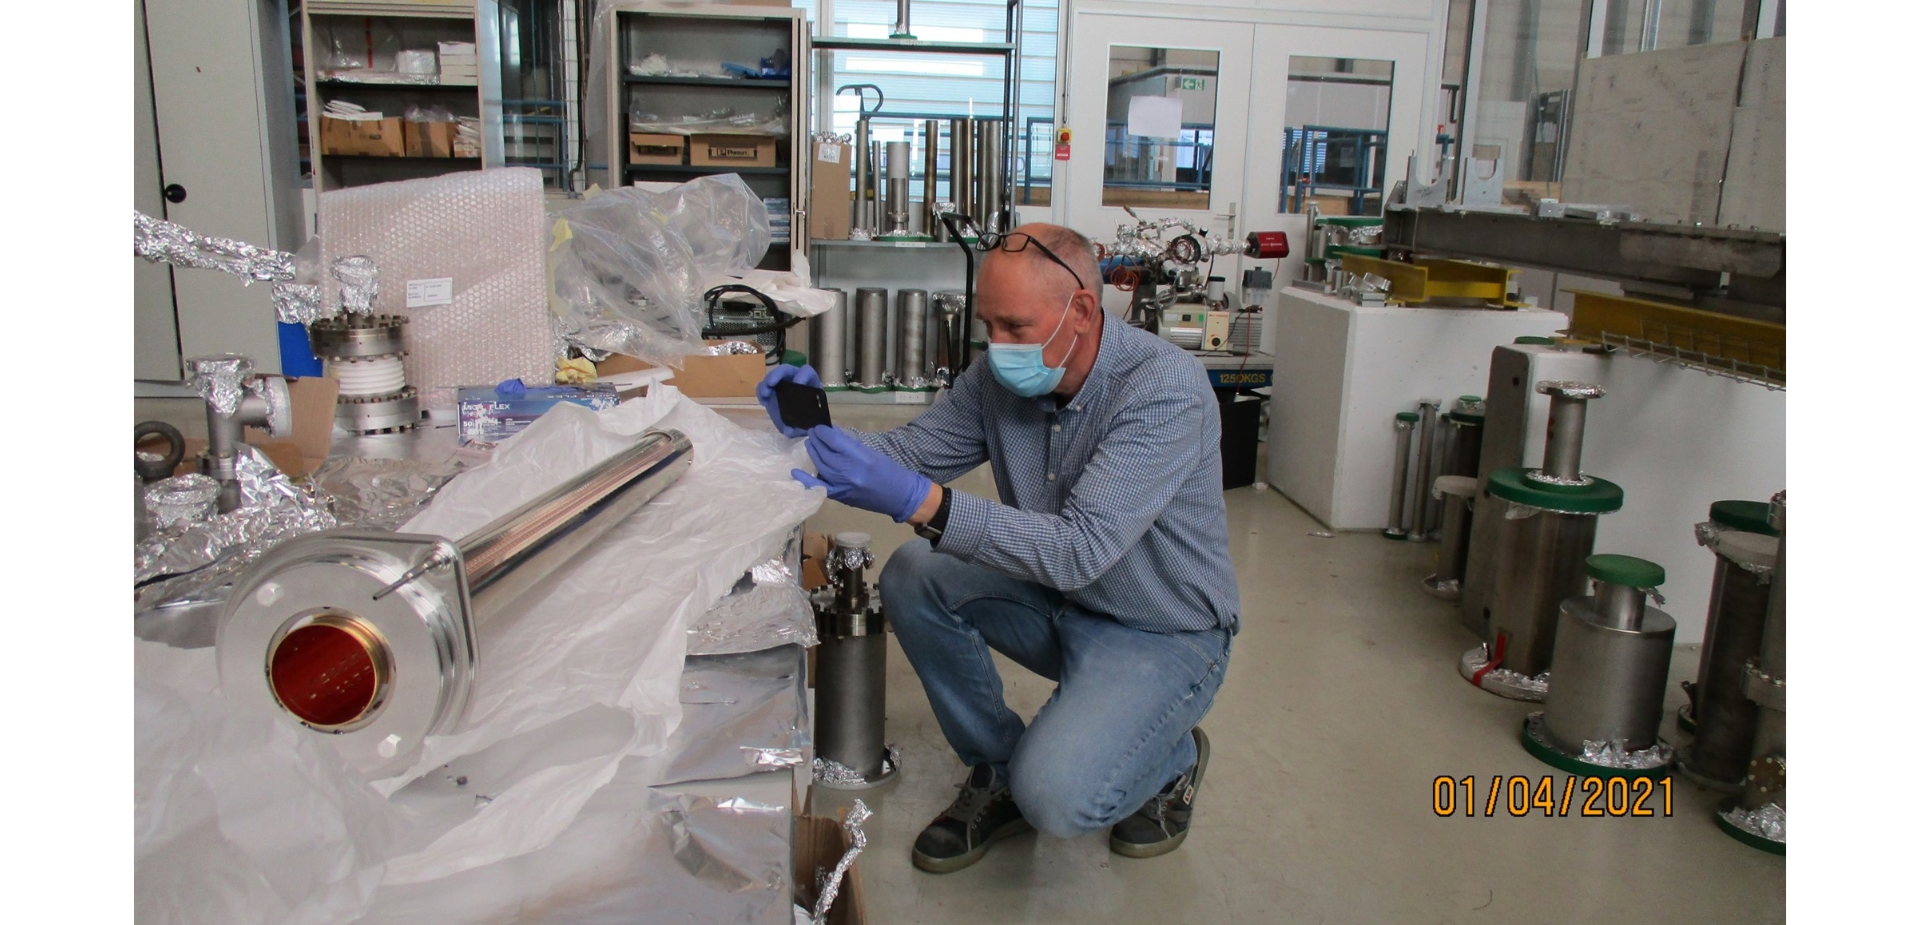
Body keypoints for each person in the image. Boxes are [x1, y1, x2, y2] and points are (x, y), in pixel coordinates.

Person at [757, 223, 1238, 873]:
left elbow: (1079, 549)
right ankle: (997, 766)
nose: (997, 346)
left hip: (1160, 629)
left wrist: (923, 503)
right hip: (1061, 599)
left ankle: (1172, 757)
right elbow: (909, 456)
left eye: (1015, 326)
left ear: (1084, 312)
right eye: (990, 326)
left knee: (1059, 798)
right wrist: (813, 436)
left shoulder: (1163, 389)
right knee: (915, 573)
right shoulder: (997, 378)